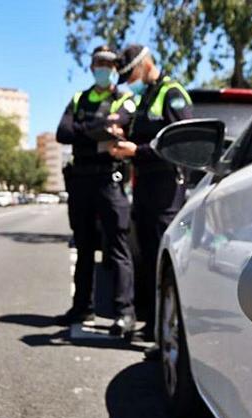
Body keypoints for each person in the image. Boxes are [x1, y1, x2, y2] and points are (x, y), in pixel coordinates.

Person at [109, 45, 193, 343]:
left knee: (163, 261)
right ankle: (154, 326)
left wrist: (138, 151)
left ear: (144, 64)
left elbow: (183, 143)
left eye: (130, 73)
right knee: (147, 261)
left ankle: (167, 334)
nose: (129, 80)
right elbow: (144, 137)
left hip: (165, 195)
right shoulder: (146, 97)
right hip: (144, 193)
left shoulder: (171, 92)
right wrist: (124, 140)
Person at [56, 45, 137, 335]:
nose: (103, 67)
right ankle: (81, 307)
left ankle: (124, 312)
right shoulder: (79, 98)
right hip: (80, 180)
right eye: (98, 62)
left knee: (116, 247)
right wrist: (99, 127)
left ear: (115, 68)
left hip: (109, 180)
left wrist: (84, 129)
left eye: (108, 63)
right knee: (84, 246)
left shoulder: (124, 98)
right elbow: (62, 132)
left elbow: (121, 123)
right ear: (91, 67)